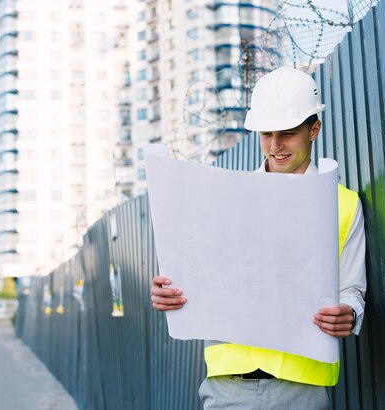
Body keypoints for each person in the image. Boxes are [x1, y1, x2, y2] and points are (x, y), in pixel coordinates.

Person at [151, 66, 366, 410]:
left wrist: (350, 312)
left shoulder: (343, 204)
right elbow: (199, 277)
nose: (275, 146)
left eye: (288, 133)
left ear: (314, 130)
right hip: (226, 389)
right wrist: (169, 293)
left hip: (302, 390)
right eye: (266, 134)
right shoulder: (227, 198)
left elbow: (352, 289)